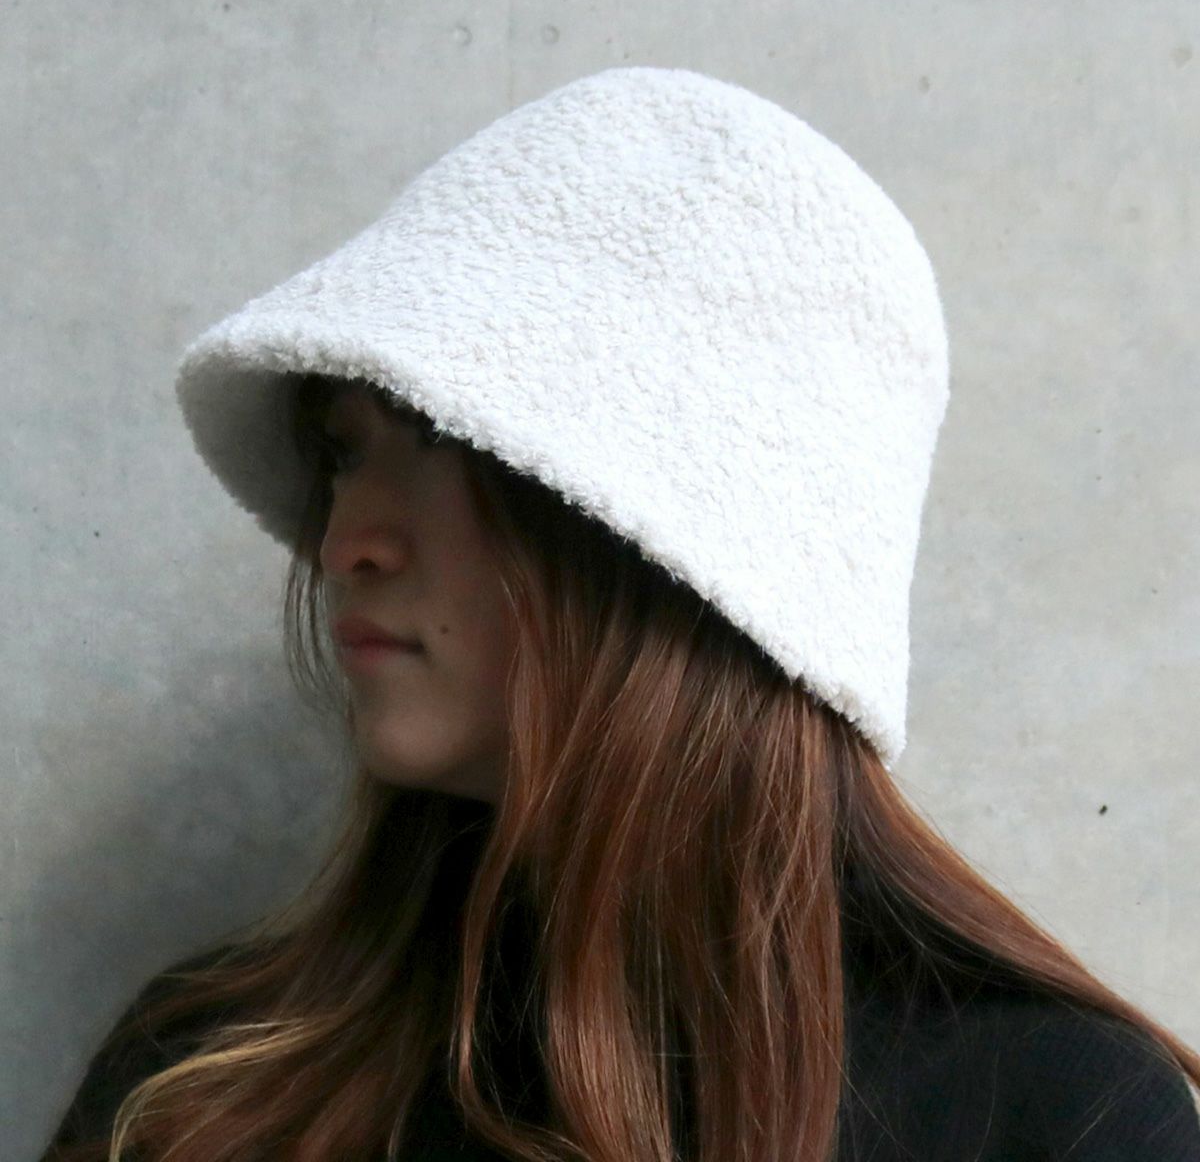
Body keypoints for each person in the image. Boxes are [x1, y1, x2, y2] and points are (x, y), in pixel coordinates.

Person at [40, 66, 1200, 1162]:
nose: (347, 544)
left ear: (683, 545)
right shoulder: (209, 1080)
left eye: (448, 440)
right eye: (344, 454)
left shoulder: (1051, 1116)